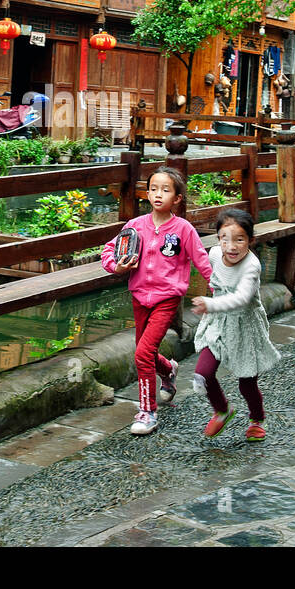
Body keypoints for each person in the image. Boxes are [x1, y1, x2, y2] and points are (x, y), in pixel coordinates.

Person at [101, 167, 211, 436]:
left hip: (167, 298)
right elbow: (109, 250)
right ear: (146, 193)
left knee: (142, 353)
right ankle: (168, 370)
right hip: (139, 296)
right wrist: (117, 267)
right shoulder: (135, 226)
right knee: (145, 350)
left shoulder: (183, 229)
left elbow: (202, 261)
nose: (158, 194)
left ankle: (147, 411)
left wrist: (220, 289)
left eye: (165, 190)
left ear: (177, 198)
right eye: (153, 188)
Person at [189, 209, 280, 441]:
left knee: (246, 381)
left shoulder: (252, 265)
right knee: (203, 372)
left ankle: (257, 419)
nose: (231, 246)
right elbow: (214, 277)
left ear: (250, 240)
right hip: (218, 323)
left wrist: (211, 304)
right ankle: (222, 409)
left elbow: (241, 298)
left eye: (239, 239)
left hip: (243, 326)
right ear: (218, 238)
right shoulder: (214, 254)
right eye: (224, 238)